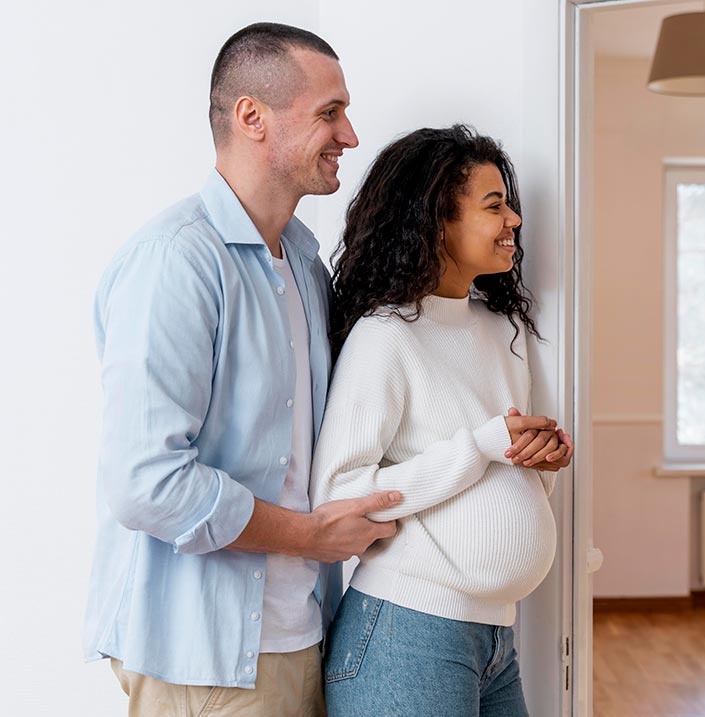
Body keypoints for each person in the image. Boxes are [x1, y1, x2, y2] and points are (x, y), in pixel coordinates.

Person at [84, 23, 403, 716]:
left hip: (300, 635)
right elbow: (145, 482)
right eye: (329, 112)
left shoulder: (305, 262)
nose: (349, 135)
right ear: (251, 117)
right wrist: (311, 536)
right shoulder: (177, 263)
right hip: (202, 658)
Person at [311, 125, 573, 717]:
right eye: (493, 205)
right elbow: (335, 496)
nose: (515, 220)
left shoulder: (501, 329)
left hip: (494, 641)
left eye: (510, 203)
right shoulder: (384, 335)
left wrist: (539, 459)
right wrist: (481, 444)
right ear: (436, 220)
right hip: (407, 632)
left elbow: (497, 471)